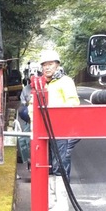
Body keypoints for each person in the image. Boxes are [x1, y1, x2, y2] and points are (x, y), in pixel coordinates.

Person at [38, 48, 80, 180]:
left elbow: (73, 103)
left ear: (57, 65)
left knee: (59, 164)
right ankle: (49, 193)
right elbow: (33, 105)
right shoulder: (41, 84)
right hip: (44, 128)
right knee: (46, 163)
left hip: (61, 128)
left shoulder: (65, 81)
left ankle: (61, 189)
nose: (47, 68)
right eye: (44, 65)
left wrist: (55, 113)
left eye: (50, 64)